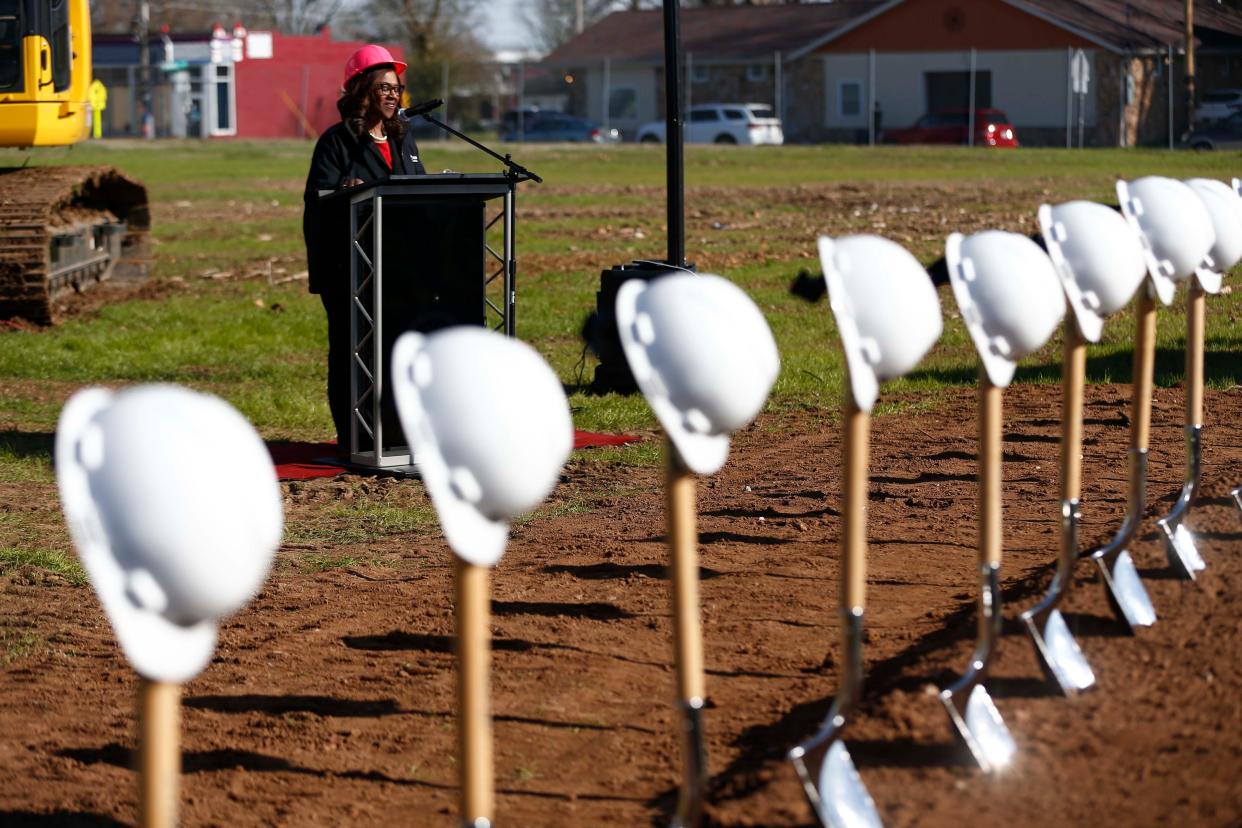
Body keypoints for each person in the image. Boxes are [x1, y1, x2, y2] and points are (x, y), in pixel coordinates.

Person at [302, 45, 427, 452]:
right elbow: (319, 202)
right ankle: (354, 437)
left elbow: (421, 194)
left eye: (397, 88)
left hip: (401, 268)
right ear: (362, 91)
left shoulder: (404, 141)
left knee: (398, 349)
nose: (393, 95)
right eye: (384, 87)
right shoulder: (337, 143)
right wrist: (346, 193)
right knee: (353, 352)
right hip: (350, 271)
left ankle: (396, 431)